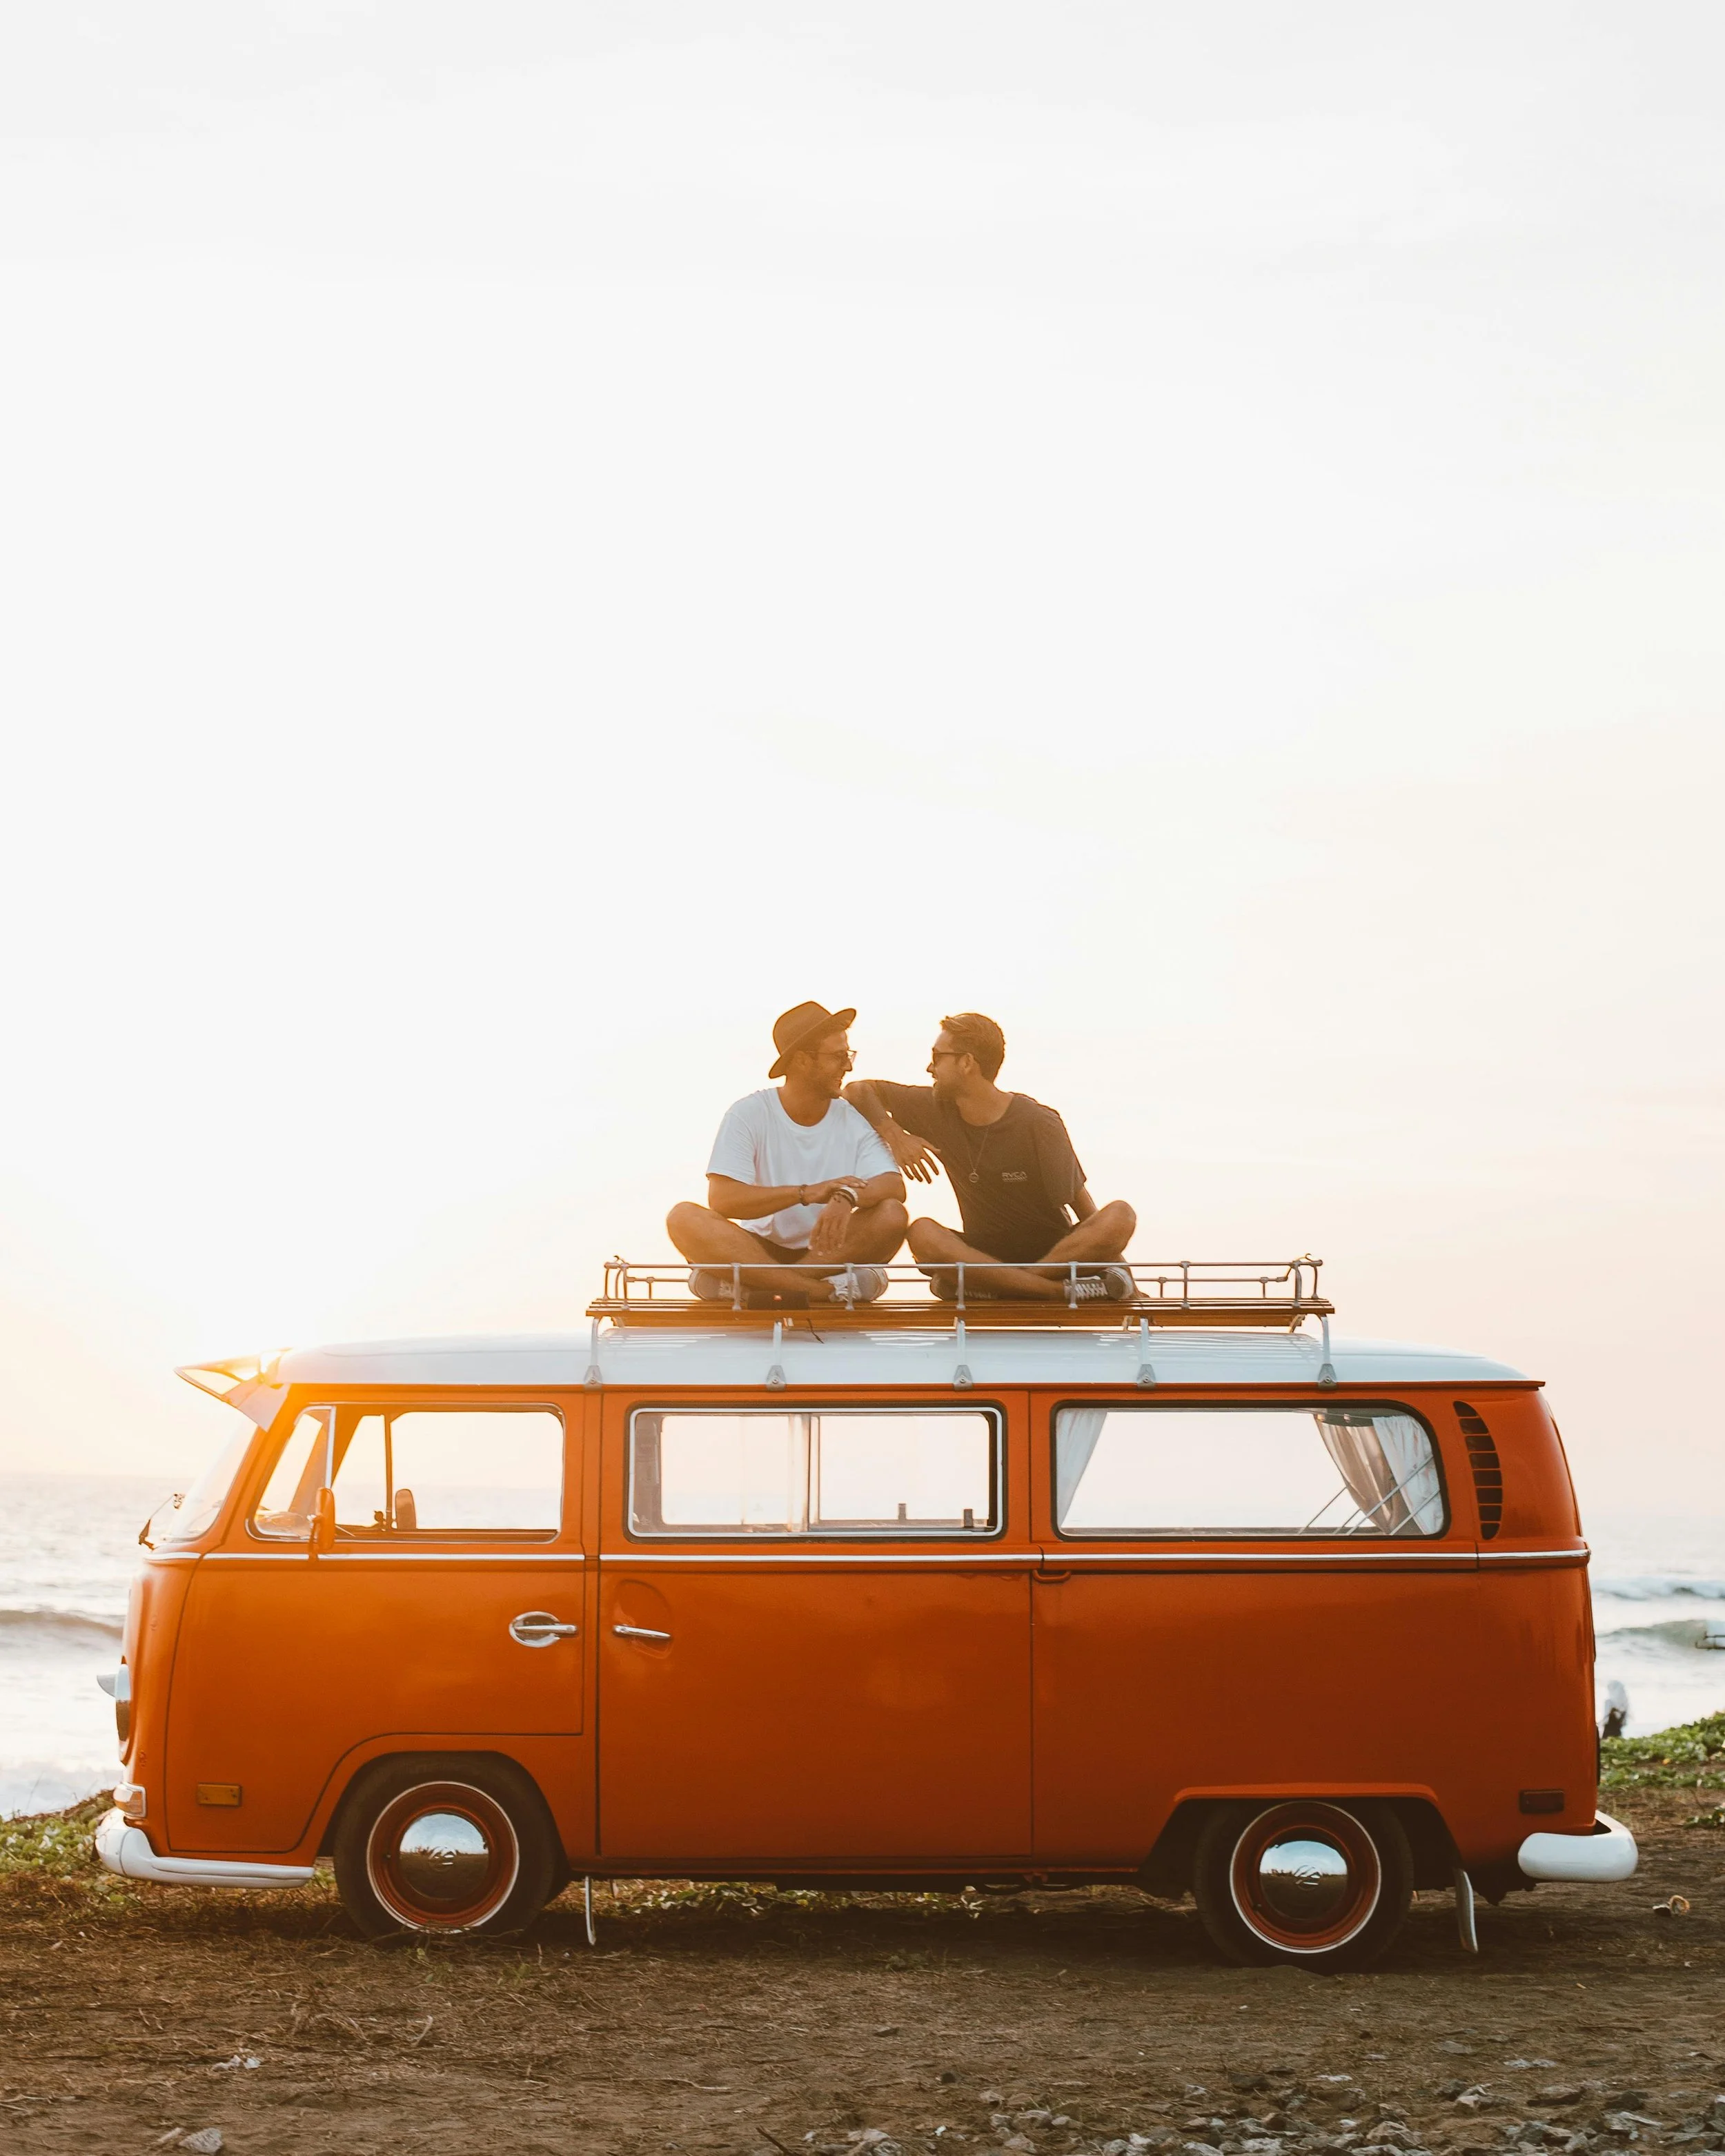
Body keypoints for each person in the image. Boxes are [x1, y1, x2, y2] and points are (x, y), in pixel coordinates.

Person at [845, 1011, 1136, 1301]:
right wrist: (895, 1136)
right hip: (983, 1254)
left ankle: (1007, 1287)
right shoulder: (934, 1107)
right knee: (922, 1232)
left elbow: (1082, 1206)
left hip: (1055, 1254)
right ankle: (1053, 1292)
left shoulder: (1038, 1122)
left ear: (967, 1063)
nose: (929, 1068)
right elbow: (858, 1090)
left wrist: (1126, 1276)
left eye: (937, 1057)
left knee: (1121, 1214)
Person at [669, 1001, 909, 1307]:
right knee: (683, 1217)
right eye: (838, 1057)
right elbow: (723, 1200)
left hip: (830, 1252)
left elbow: (893, 1186)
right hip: (755, 1250)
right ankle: (822, 1291)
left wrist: (846, 1195)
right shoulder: (749, 1113)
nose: (848, 1067)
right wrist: (806, 1193)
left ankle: (763, 1287)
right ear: (801, 1061)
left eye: (848, 1056)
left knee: (891, 1214)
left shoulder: (854, 1118)